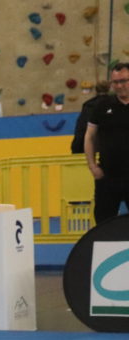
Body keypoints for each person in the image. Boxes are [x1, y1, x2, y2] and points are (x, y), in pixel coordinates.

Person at [85, 62, 129, 224]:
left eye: (123, 81)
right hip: (108, 177)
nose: (119, 86)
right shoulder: (102, 106)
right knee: (103, 225)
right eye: (115, 82)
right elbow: (89, 137)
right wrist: (93, 166)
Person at [71, 81, 110, 155]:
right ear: (108, 89)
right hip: (112, 147)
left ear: (96, 90)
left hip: (92, 147)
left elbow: (81, 127)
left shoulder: (88, 105)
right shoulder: (115, 104)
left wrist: (76, 148)